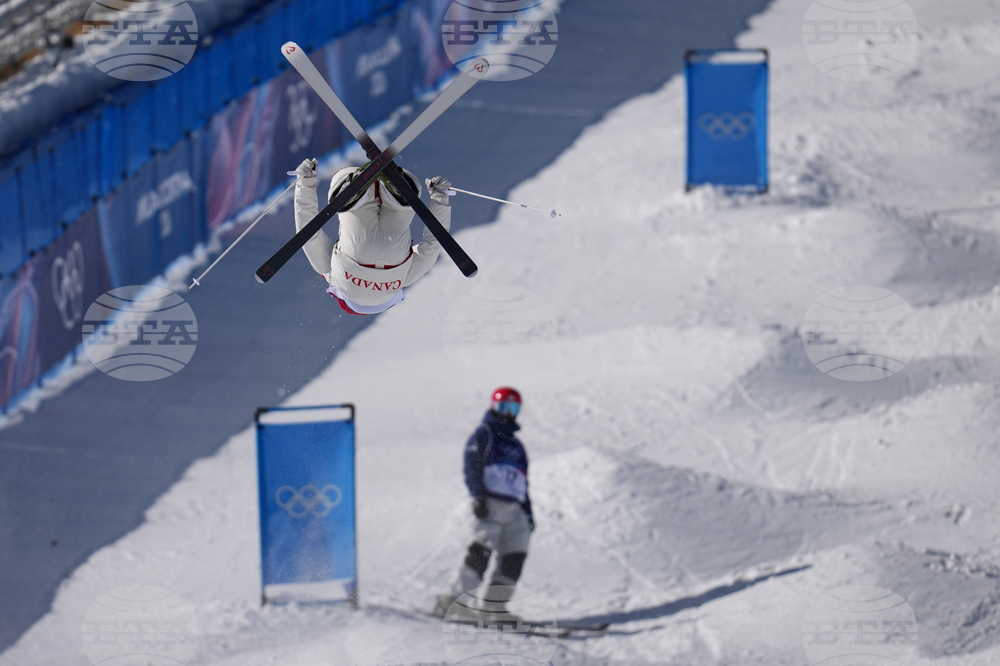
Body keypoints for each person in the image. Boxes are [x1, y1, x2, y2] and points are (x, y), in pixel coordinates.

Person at [292, 158, 452, 315]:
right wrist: (305, 182)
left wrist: (439, 197)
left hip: (394, 260)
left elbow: (433, 246)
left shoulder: (404, 282)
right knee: (343, 178)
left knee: (401, 211)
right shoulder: (334, 279)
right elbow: (308, 233)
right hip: (354, 255)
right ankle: (355, 194)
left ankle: (397, 198)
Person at [435, 387, 534, 619]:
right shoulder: (485, 433)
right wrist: (478, 496)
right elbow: (472, 464)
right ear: (493, 406)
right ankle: (455, 600)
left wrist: (528, 514)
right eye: (503, 407)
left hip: (515, 508)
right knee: (482, 550)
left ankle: (493, 605)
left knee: (515, 554)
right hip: (491, 502)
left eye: (513, 408)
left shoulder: (517, 446)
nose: (508, 414)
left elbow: (522, 482)